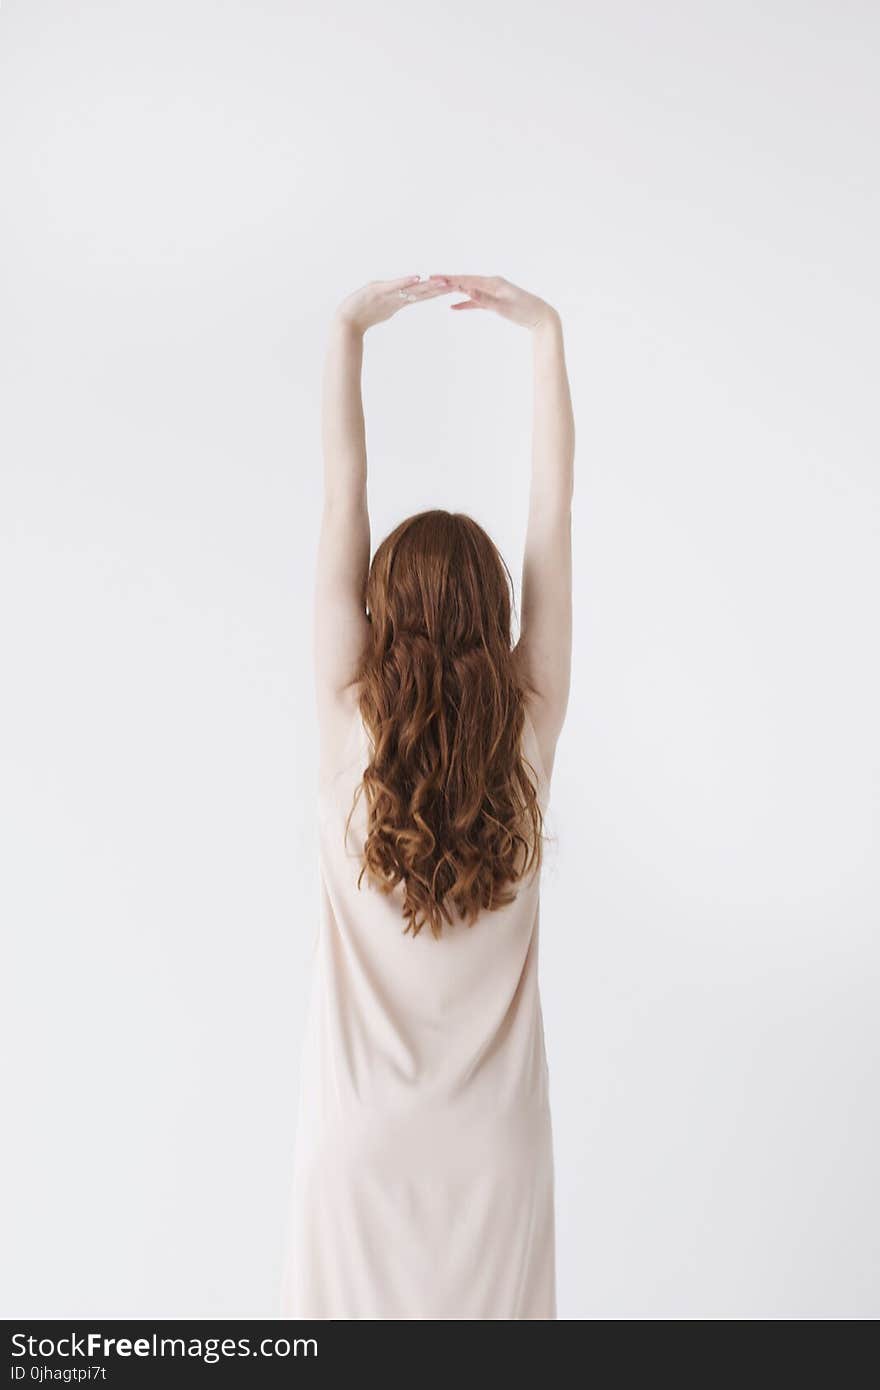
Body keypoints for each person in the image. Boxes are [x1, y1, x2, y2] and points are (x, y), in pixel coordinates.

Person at [281, 274, 575, 1320]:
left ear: (375, 611)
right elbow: (550, 512)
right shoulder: (525, 736)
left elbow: (339, 494)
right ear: (496, 613)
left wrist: (347, 329)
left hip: (357, 1146)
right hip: (495, 1154)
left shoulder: (346, 723)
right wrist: (544, 338)